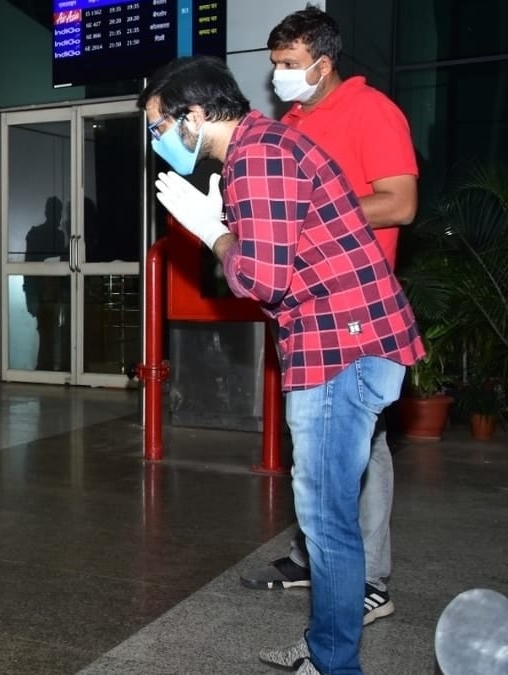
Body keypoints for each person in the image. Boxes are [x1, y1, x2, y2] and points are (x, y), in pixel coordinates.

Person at [139, 56, 424, 674]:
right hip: (356, 341)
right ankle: (331, 643)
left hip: (338, 348)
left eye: (159, 126)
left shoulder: (257, 157)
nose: (157, 142)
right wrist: (227, 223)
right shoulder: (272, 143)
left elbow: (261, 280)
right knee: (332, 514)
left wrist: (213, 233)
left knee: (326, 522)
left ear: (194, 116)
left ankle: (333, 662)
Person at [240, 7, 420, 629]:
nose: (280, 78)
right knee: (317, 441)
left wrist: (308, 215)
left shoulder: (373, 112)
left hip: (356, 312)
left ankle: (369, 578)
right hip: (306, 311)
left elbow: (400, 202)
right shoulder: (292, 122)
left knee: (362, 441)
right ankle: (314, 557)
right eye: (275, 67)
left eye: (289, 66)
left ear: (324, 60)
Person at [23, 196, 70, 371]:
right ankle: (47, 367)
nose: (57, 216)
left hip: (51, 290)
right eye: (55, 212)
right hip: (45, 290)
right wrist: (31, 295)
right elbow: (30, 266)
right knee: (48, 332)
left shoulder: (56, 235)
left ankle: (47, 367)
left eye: (58, 212)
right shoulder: (47, 234)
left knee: (48, 332)